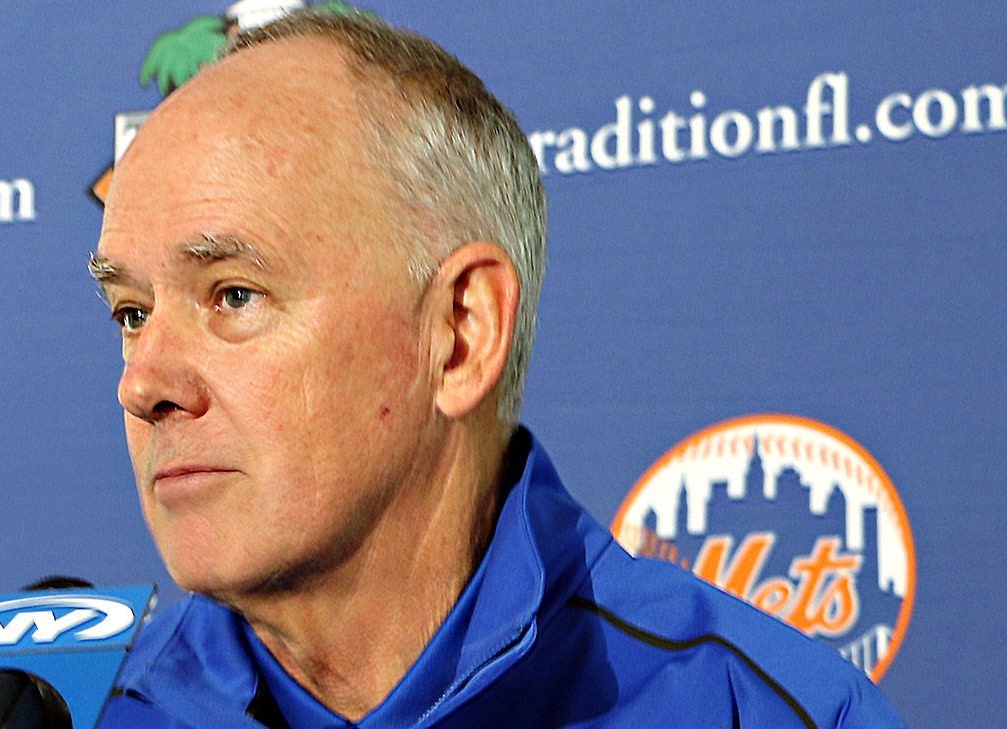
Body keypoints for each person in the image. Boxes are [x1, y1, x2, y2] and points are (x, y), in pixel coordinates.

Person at [90, 10, 906, 728]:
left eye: (233, 295)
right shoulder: (82, 709)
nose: (143, 384)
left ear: (460, 332)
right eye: (132, 312)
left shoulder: (754, 710)